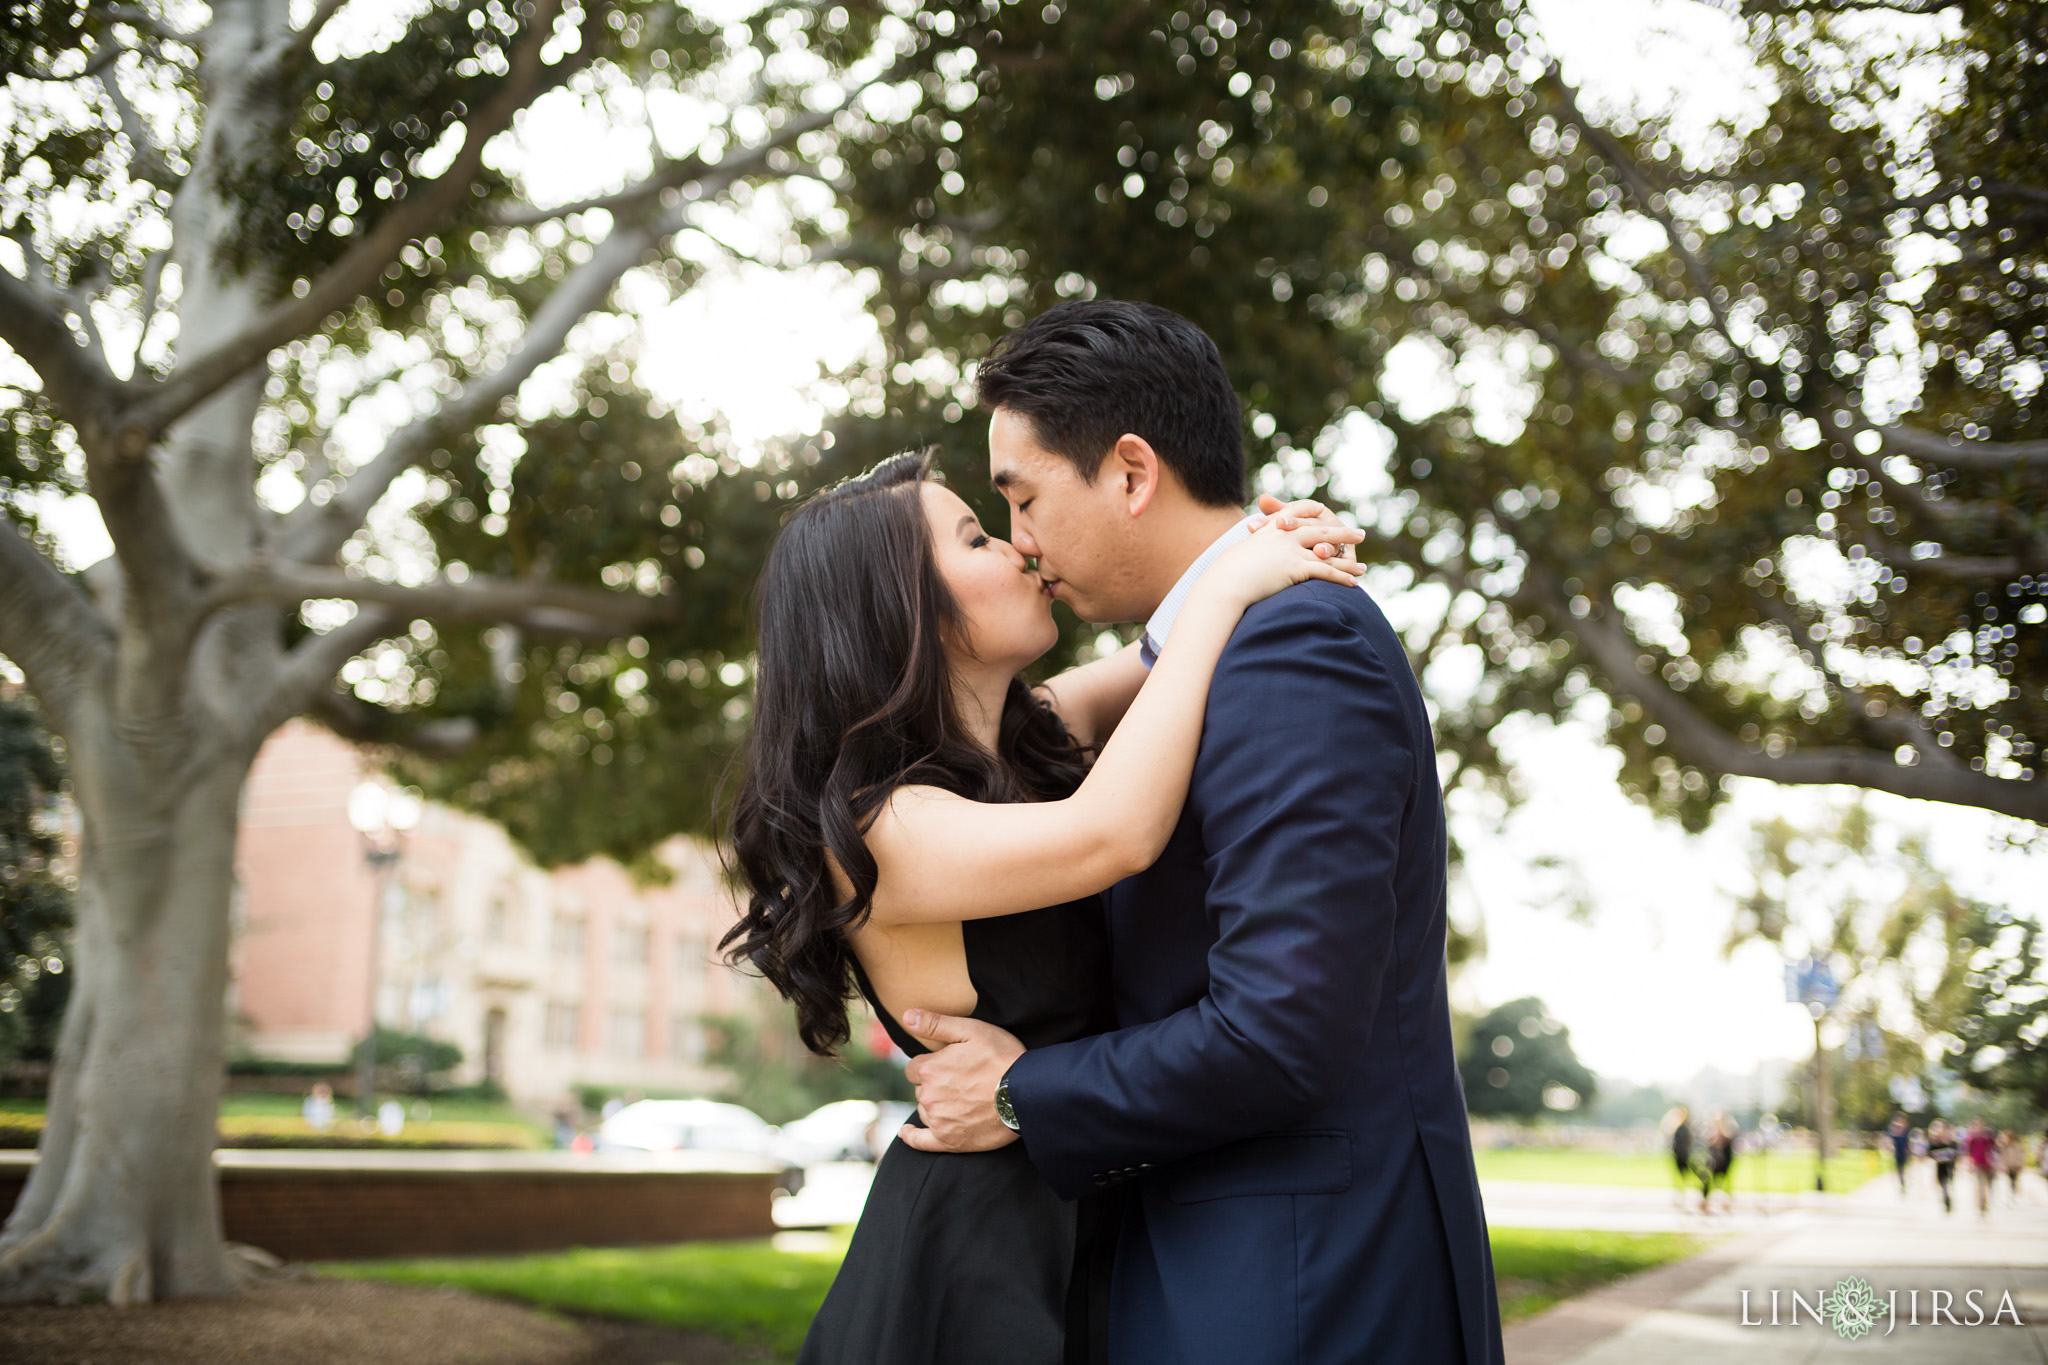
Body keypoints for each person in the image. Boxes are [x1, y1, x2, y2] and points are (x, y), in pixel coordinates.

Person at [894, 301, 1505, 1364]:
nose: (1022, 544)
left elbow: (1280, 1029)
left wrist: (1017, 1092)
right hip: (1213, 1269)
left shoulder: (1291, 641)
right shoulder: (1207, 649)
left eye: (1021, 499)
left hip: (1304, 1286)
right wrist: (1225, 581)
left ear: (1130, 474)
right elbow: (1046, 738)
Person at [724, 443, 1365, 1365]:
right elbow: (1117, 833)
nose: (1021, 549)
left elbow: (1159, 656)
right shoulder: (881, 828)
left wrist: (1259, 539)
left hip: (1093, 1210)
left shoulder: (1026, 749)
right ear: (903, 607)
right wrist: (1231, 585)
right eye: (977, 536)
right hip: (976, 1257)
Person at [1664, 1105, 1695, 1210]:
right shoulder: (1676, 1127)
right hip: (1677, 1155)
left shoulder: (1686, 1128)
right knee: (1678, 1177)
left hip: (1684, 1155)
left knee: (1685, 1176)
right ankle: (1680, 1196)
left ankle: (1685, 1196)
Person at [1964, 1117, 1997, 1215]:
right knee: (1980, 1185)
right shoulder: (1972, 1138)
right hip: (1977, 1164)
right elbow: (1969, 1152)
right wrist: (1969, 1163)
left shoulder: (1987, 1137)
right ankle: (1981, 1204)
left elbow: (1992, 1150)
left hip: (1987, 1164)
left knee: (1987, 1184)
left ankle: (1984, 1202)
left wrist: (1994, 1162)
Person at [1927, 1119, 1958, 1213]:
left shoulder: (1950, 1141)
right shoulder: (1934, 1142)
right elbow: (1930, 1154)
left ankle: (1947, 1198)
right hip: (1940, 1167)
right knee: (1942, 1184)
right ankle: (1946, 1199)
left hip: (1949, 1167)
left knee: (1948, 1183)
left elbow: (1955, 1152)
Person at [1887, 1113, 1911, 1195]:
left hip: (1904, 1154)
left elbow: (1907, 1143)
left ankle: (1904, 1182)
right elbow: (1890, 1141)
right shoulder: (1893, 1131)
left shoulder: (1905, 1131)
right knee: (1899, 1170)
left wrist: (1908, 1150)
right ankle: (1902, 1184)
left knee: (1904, 1170)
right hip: (1897, 1154)